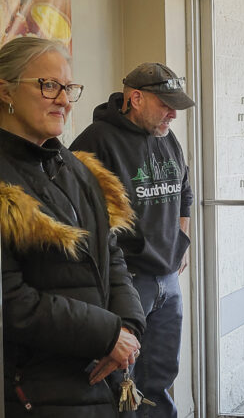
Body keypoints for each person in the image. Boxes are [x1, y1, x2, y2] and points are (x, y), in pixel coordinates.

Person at [0, 37, 145, 417]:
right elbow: (10, 300)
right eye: (49, 85)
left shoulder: (78, 170)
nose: (63, 99)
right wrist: (107, 334)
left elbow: (110, 255)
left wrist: (128, 327)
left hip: (99, 382)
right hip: (32, 391)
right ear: (5, 90)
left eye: (68, 88)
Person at [70, 62, 194, 418]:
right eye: (166, 104)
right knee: (122, 381)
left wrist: (181, 238)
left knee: (161, 376)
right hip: (128, 282)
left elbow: (184, 189)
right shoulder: (96, 141)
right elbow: (78, 214)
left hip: (168, 279)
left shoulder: (166, 135)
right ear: (135, 98)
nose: (173, 113)